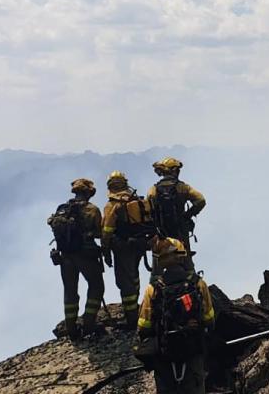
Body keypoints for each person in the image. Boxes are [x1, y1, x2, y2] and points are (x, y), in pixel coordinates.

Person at [134, 237, 216, 394]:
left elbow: (144, 326)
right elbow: (209, 319)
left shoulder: (153, 289)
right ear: (182, 255)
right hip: (192, 352)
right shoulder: (197, 284)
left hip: (165, 355)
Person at [47, 178, 105, 339]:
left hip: (65, 257)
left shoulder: (62, 209)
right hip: (85, 255)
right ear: (88, 192)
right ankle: (88, 323)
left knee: (70, 293)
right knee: (96, 287)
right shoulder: (92, 210)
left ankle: (71, 328)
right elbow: (100, 233)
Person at [102, 170, 155, 327]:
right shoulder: (135, 200)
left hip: (123, 248)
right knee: (134, 275)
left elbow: (106, 231)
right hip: (140, 245)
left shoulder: (112, 205)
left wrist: (106, 251)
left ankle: (132, 318)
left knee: (125, 282)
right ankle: (136, 307)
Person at [146, 157, 206, 250]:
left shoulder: (153, 190)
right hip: (180, 230)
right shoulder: (183, 187)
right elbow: (201, 200)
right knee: (185, 257)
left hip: (161, 232)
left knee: (159, 257)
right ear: (174, 171)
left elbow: (147, 210)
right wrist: (187, 216)